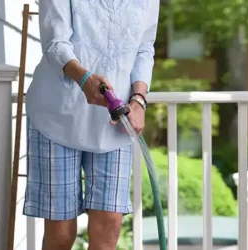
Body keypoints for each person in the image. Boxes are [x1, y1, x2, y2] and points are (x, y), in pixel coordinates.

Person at [22, 0, 160, 249]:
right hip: (58, 116)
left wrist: (138, 100)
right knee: (61, 233)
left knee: (109, 225)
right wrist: (83, 77)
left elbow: (144, 48)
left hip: (115, 121)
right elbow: (55, 42)